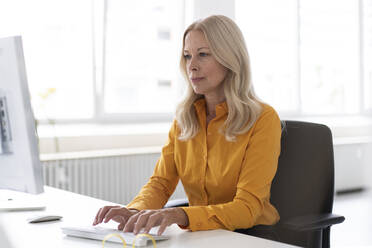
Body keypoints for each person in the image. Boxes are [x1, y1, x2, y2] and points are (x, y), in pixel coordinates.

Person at [93, 15, 281, 236]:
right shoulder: (185, 119)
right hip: (201, 234)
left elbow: (248, 208)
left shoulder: (262, 118)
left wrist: (182, 214)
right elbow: (160, 184)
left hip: (252, 236)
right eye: (187, 56)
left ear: (230, 58)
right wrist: (134, 211)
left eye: (202, 55)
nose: (191, 66)